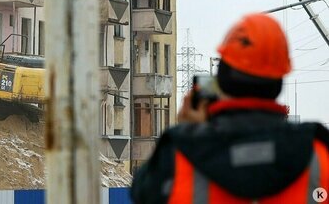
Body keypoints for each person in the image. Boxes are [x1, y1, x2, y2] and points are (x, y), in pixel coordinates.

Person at [131, 13, 329, 204]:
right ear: (278, 80)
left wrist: (190, 133)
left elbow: (142, 192)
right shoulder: (320, 156)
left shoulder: (177, 158)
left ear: (223, 77)